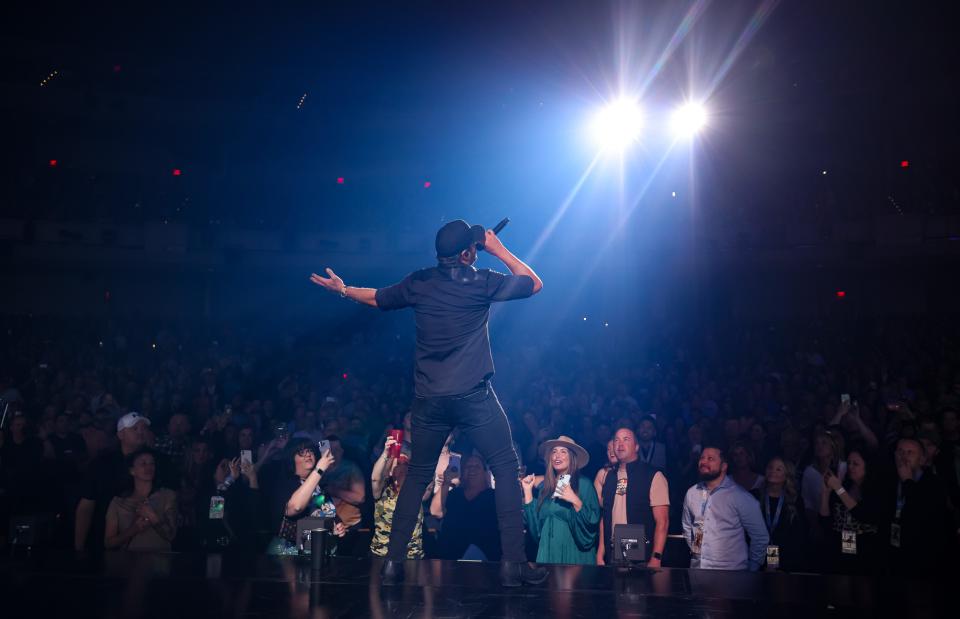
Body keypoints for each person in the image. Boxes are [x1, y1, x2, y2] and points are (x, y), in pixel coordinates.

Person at [310, 219, 546, 587]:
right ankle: (513, 565)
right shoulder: (481, 279)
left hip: (429, 401)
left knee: (417, 475)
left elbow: (376, 297)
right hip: (472, 396)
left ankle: (392, 564)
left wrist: (343, 290)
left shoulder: (420, 281)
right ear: (468, 254)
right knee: (504, 466)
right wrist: (496, 248)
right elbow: (534, 283)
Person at [681, 446, 769, 571]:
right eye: (702, 458)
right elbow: (687, 527)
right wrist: (698, 552)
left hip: (731, 572)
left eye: (710, 458)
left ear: (723, 467)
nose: (704, 462)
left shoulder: (739, 496)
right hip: (698, 569)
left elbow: (760, 536)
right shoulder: (692, 492)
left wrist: (753, 568)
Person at [75, 412, 151, 551]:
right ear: (120, 435)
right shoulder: (102, 463)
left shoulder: (156, 462)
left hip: (144, 542)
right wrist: (79, 546)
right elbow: (86, 505)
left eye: (144, 428)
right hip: (103, 539)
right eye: (135, 429)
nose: (141, 432)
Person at [597, 428, 670, 568]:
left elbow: (663, 521)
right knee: (612, 589)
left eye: (626, 439)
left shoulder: (653, 475)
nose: (619, 444)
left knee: (637, 589)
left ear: (637, 447)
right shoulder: (610, 476)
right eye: (616, 440)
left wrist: (656, 556)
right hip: (612, 551)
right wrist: (600, 552)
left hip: (639, 551)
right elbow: (604, 517)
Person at [521, 436, 600, 565]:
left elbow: (592, 525)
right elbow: (537, 531)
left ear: (572, 457)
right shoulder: (545, 488)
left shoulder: (584, 484)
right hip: (548, 555)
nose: (557, 456)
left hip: (574, 556)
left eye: (563, 451)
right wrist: (528, 492)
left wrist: (575, 500)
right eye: (554, 451)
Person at [881, 437, 955, 572]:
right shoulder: (887, 480)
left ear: (922, 459)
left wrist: (908, 481)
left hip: (923, 554)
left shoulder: (934, 484)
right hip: (893, 553)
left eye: (910, 452)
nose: (904, 456)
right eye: (900, 452)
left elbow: (923, 513)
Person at [267, 439, 346, 554]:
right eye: (301, 452)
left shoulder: (318, 485)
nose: (308, 454)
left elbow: (327, 511)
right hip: (291, 552)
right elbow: (295, 507)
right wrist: (319, 470)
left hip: (318, 548)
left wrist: (336, 525)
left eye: (310, 451)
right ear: (292, 458)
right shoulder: (285, 483)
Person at [818, 448, 881, 574]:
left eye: (856, 464)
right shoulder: (844, 486)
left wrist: (839, 489)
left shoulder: (875, 489)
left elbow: (863, 515)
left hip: (866, 552)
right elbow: (826, 521)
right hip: (839, 550)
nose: (851, 467)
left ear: (867, 466)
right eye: (849, 463)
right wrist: (825, 493)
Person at [104, 448, 177, 551]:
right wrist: (133, 530)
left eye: (152, 463)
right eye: (143, 464)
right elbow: (108, 543)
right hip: (129, 564)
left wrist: (152, 516)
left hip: (159, 564)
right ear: (132, 470)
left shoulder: (168, 495)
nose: (149, 467)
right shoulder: (118, 502)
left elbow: (171, 536)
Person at [370, 435, 424, 559]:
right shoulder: (383, 489)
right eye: (398, 463)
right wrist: (386, 453)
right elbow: (375, 478)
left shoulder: (416, 489)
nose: (401, 467)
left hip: (411, 555)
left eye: (405, 464)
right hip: (383, 554)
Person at [752, 457, 806, 571]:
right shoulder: (754, 496)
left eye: (778, 469)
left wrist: (786, 565)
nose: (772, 471)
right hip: (756, 560)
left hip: (786, 562)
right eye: (770, 467)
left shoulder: (795, 501)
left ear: (787, 475)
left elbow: (799, 537)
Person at [801, 431, 846, 531]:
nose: (819, 446)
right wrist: (814, 527)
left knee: (848, 547)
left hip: (845, 523)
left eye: (824, 442)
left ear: (833, 446)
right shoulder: (809, 472)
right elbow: (808, 503)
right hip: (822, 522)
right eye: (816, 443)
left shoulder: (844, 467)